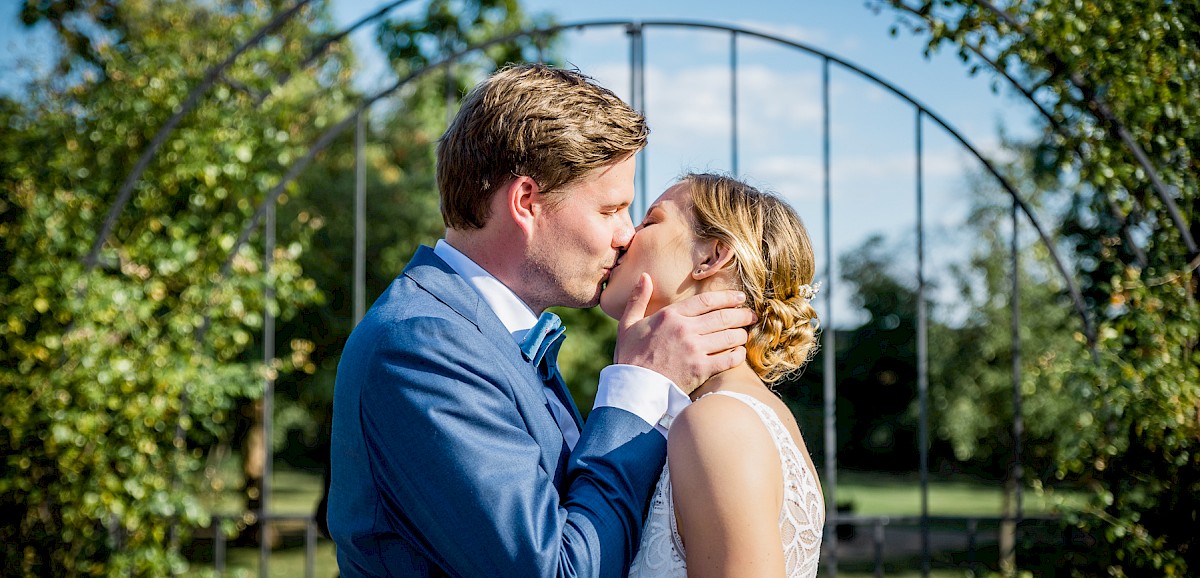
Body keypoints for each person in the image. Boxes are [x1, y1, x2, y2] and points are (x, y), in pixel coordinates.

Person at [327, 64, 757, 577]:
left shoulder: (495, 336)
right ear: (527, 201)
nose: (626, 235)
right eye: (611, 209)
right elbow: (557, 569)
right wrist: (639, 386)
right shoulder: (421, 345)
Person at [600, 173, 825, 578]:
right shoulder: (736, 413)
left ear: (710, 257)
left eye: (650, 221)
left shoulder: (718, 422)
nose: (625, 236)